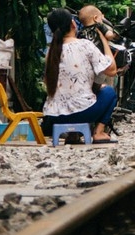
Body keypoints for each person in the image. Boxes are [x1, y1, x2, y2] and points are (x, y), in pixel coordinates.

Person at [41, 8, 118, 143]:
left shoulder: (50, 53)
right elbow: (112, 70)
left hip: (54, 116)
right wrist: (103, 39)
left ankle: (73, 136)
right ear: (73, 24)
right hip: (81, 113)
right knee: (109, 92)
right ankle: (98, 133)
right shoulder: (84, 45)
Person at [78, 4, 117, 89]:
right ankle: (97, 88)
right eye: (101, 18)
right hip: (99, 60)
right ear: (95, 18)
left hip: (87, 62)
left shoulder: (81, 32)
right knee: (101, 76)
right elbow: (109, 36)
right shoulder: (99, 26)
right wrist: (116, 34)